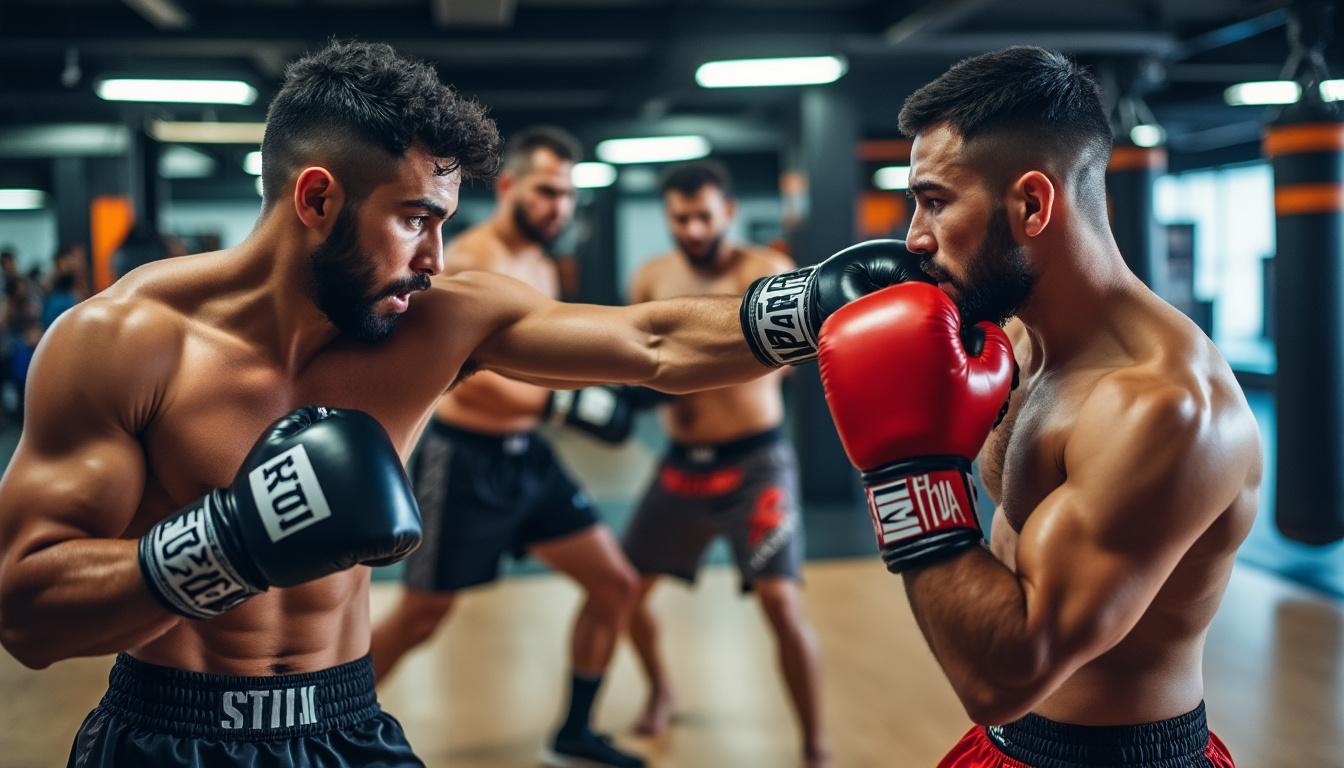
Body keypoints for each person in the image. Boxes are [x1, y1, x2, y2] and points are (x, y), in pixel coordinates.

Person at [0, 40, 919, 767]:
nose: (437, 259)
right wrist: (231, 540)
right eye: (415, 220)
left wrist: (809, 309)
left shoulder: (437, 322)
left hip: (345, 724)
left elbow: (651, 343)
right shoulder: (121, 342)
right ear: (315, 197)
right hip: (167, 736)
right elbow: (25, 610)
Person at [816, 47, 1259, 767]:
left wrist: (907, 471)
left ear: (1031, 203)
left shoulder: (1164, 408)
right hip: (999, 747)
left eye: (934, 201)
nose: (913, 238)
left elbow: (1005, 676)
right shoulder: (1012, 339)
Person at [368, 125, 647, 768]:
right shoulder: (467, 259)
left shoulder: (544, 263)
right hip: (465, 462)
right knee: (420, 618)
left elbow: (540, 360)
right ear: (513, 186)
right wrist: (567, 404)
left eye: (569, 196)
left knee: (615, 584)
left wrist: (588, 388)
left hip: (531, 460)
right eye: (548, 192)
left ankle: (575, 729)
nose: (560, 207)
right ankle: (331, 725)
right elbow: (464, 378)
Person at [622, 160, 829, 766]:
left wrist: (681, 360)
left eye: (703, 216)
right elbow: (636, 355)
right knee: (625, 593)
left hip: (755, 463)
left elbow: (787, 360)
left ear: (728, 213)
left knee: (780, 603)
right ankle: (662, 687)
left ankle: (815, 745)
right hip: (680, 464)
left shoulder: (766, 272)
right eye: (680, 217)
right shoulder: (651, 276)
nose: (692, 228)